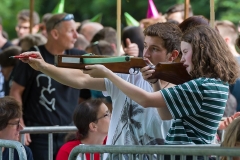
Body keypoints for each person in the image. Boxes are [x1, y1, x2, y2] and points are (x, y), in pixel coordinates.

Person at [18, 22, 180, 153]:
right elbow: (80, 79)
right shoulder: (129, 73)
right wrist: (43, 66)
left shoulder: (183, 87)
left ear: (172, 55)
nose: (146, 54)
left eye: (155, 49)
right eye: (145, 46)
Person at [83, 25, 239, 145]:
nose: (182, 59)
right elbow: (165, 115)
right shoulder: (216, 83)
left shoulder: (201, 85)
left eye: (185, 52)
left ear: (200, 52)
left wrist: (108, 73)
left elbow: (146, 100)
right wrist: (156, 83)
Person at [9, 13, 86, 160]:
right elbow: (16, 90)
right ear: (55, 33)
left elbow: (87, 94)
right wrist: (19, 120)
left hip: (69, 132)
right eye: (71, 31)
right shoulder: (33, 56)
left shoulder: (78, 57)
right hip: (39, 133)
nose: (76, 35)